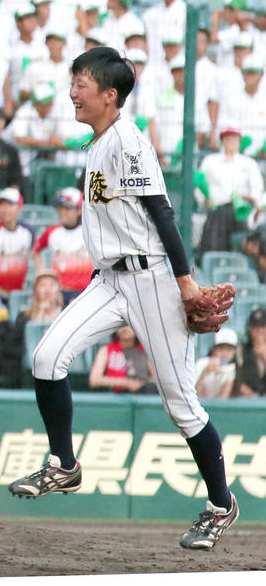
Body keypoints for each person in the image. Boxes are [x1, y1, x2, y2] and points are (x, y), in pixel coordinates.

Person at [12, 46, 238, 550]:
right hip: (110, 280)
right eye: (73, 82)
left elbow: (162, 212)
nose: (73, 92)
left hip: (152, 279)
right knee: (46, 357)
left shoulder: (127, 140)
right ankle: (63, 464)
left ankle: (221, 505)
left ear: (110, 95)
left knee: (181, 404)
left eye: (82, 84)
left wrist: (185, 282)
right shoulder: (97, 144)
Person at [0, 188, 34, 301]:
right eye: (1, 205)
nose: (5, 209)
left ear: (19, 208)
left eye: (9, 205)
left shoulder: (28, 231)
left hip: (21, 293)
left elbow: (35, 257)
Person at [87, 326, 155, 394]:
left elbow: (156, 377)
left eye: (128, 325)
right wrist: (126, 383)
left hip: (142, 394)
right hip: (116, 395)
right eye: (120, 325)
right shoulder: (106, 350)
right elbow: (94, 380)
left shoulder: (145, 350)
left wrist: (143, 383)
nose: (124, 328)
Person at [194, 330, 238, 400]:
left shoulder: (231, 370)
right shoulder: (201, 363)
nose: (225, 353)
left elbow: (223, 399)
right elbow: (195, 395)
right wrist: (205, 372)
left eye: (229, 349)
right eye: (221, 348)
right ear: (214, 349)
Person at [234, 308, 266, 396]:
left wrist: (264, 356)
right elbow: (238, 380)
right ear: (249, 329)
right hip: (248, 399)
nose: (259, 331)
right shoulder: (241, 349)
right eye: (255, 326)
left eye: (263, 326)